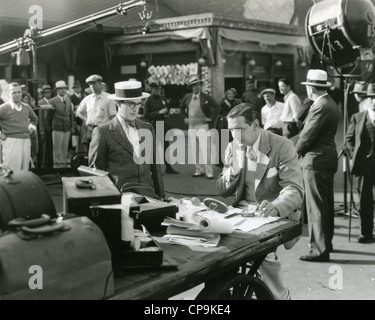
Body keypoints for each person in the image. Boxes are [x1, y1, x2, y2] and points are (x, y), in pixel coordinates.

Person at [216, 103, 303, 300]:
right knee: (215, 252)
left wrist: (276, 206)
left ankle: (278, 295)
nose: (236, 136)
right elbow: (222, 190)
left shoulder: (282, 145)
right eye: (231, 131)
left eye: (240, 130)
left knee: (261, 251)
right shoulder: (232, 147)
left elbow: (295, 189)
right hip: (240, 214)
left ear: (255, 124)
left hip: (271, 215)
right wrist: (233, 171)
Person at [89, 80, 165, 199]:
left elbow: (155, 168)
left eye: (138, 104)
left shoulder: (147, 128)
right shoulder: (102, 132)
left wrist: (162, 197)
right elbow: (96, 173)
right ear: (118, 103)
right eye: (131, 104)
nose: (136, 109)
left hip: (149, 197)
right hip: (120, 199)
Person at [297, 69, 340, 262]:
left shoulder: (320, 106)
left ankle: (319, 250)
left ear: (312, 88)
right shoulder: (329, 103)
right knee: (325, 205)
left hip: (315, 160)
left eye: (307, 87)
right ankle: (326, 243)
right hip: (327, 158)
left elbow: (307, 136)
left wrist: (293, 153)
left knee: (316, 207)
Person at [345, 84, 375, 243]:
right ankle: (366, 232)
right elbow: (348, 140)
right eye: (372, 97)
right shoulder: (358, 117)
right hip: (365, 166)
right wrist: (353, 156)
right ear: (367, 99)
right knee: (364, 200)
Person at [180, 75, 220, 179]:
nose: (197, 87)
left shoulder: (206, 97)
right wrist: (184, 117)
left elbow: (217, 107)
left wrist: (210, 118)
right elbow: (181, 107)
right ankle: (199, 170)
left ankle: (209, 172)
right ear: (191, 87)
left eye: (198, 85)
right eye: (194, 85)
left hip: (202, 125)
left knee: (205, 149)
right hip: (191, 126)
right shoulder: (187, 97)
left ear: (200, 86)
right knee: (194, 149)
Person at [0, 82, 38, 171]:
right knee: (11, 171)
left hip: (26, 141)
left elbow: (34, 119)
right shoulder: (3, 108)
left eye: (19, 92)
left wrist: (31, 128)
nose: (17, 95)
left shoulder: (26, 107)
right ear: (8, 94)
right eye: (14, 92)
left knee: (24, 170)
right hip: (11, 142)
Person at [144, 82, 178, 174]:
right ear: (152, 89)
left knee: (166, 146)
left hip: (163, 124)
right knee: (155, 148)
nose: (158, 91)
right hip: (154, 125)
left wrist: (166, 114)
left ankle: (168, 167)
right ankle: (154, 169)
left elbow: (167, 109)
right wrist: (159, 112)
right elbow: (146, 115)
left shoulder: (162, 98)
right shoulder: (148, 100)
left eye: (159, 89)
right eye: (156, 89)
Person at [76, 74, 116, 147]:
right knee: (90, 152)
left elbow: (112, 117)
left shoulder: (108, 98)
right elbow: (79, 111)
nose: (92, 86)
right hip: (90, 129)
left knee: (102, 152)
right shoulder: (87, 99)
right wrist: (86, 120)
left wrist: (112, 132)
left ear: (100, 83)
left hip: (103, 130)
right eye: (90, 84)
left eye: (94, 83)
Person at [49, 80, 75, 168]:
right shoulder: (52, 101)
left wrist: (72, 126)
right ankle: (57, 166)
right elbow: (49, 116)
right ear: (57, 90)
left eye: (64, 88)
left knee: (65, 148)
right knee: (57, 149)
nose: (63, 90)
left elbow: (71, 114)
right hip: (57, 127)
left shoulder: (68, 99)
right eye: (61, 89)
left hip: (67, 127)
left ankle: (64, 165)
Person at [216, 88, 240, 167]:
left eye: (232, 94)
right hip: (224, 125)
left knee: (234, 143)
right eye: (229, 94)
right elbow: (218, 114)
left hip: (234, 125)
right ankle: (222, 162)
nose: (231, 95)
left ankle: (233, 162)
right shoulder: (222, 103)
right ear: (226, 95)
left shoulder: (236, 103)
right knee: (224, 143)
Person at [39, 85, 53, 169]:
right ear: (43, 93)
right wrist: (42, 129)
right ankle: (44, 165)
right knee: (44, 147)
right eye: (46, 92)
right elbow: (40, 117)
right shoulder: (41, 102)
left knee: (51, 146)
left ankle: (50, 164)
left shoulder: (52, 101)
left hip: (52, 127)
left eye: (49, 92)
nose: (48, 94)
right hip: (45, 127)